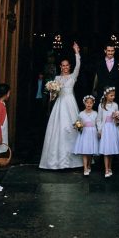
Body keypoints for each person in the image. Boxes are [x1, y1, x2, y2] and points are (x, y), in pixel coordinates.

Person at [39, 42, 83, 170]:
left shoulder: (73, 76)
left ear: (69, 66)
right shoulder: (57, 78)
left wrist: (77, 52)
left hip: (70, 104)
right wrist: (52, 92)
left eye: (67, 65)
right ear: (60, 66)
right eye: (63, 65)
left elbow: (78, 65)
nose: (65, 67)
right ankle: (56, 160)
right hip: (59, 105)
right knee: (57, 130)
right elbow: (53, 95)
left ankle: (74, 161)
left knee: (72, 129)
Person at [97, 86, 119, 177]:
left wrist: (117, 118)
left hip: (113, 128)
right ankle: (106, 169)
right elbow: (99, 119)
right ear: (106, 95)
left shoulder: (115, 105)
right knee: (106, 150)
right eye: (111, 95)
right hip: (105, 129)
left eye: (114, 95)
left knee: (111, 149)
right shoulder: (101, 106)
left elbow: (117, 117)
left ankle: (109, 167)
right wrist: (100, 130)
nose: (113, 97)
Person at [73, 94, 100, 175]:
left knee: (90, 151)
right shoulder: (81, 113)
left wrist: (99, 131)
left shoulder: (95, 113)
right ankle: (85, 168)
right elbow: (78, 123)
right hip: (84, 133)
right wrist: (79, 126)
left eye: (90, 103)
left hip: (92, 132)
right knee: (85, 151)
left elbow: (98, 123)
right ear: (84, 103)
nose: (88, 104)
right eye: (87, 102)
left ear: (93, 103)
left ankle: (89, 165)